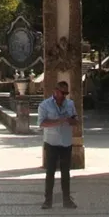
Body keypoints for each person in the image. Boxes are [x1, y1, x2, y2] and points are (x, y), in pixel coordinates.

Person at [36, 79, 79, 209]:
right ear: (55, 91)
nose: (64, 96)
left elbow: (76, 120)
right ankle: (47, 200)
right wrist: (58, 121)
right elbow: (41, 123)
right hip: (51, 142)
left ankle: (67, 200)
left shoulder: (70, 104)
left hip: (66, 143)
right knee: (50, 172)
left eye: (66, 93)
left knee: (66, 173)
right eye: (62, 93)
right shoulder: (45, 105)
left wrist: (71, 121)